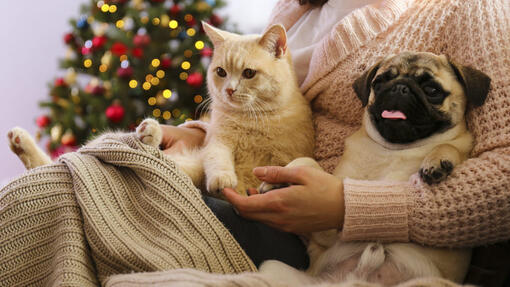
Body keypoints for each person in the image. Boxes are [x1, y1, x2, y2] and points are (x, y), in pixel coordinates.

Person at [158, 0, 510, 283]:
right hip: (275, 215)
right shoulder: (292, 9)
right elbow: (267, 107)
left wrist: (348, 207)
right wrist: (199, 134)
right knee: (120, 164)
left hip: (308, 240)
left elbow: (504, 179)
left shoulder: (468, 9)